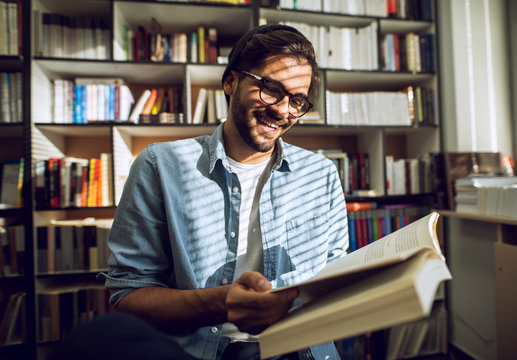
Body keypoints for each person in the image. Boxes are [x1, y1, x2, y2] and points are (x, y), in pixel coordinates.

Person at [55, 24, 349, 360]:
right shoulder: (159, 166)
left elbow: (333, 281)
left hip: (304, 351)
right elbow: (129, 295)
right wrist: (220, 303)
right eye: (270, 89)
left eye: (297, 100)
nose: (283, 110)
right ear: (231, 81)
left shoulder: (321, 174)